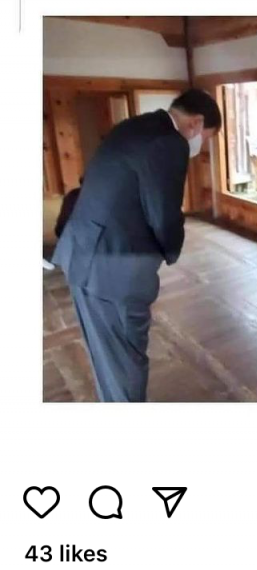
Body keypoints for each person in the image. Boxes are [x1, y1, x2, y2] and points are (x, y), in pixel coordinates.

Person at [53, 89, 222, 402]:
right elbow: (164, 214)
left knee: (106, 357)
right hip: (113, 267)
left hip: (83, 253)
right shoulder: (170, 143)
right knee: (126, 363)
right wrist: (172, 250)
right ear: (196, 123)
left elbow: (89, 179)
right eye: (207, 138)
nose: (201, 145)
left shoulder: (135, 126)